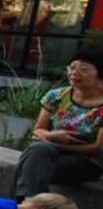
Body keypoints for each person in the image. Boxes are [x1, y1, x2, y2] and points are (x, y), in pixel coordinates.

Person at [14, 49, 103, 200]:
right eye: (72, 67)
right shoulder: (56, 96)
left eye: (84, 69)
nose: (74, 73)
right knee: (37, 152)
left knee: (32, 163)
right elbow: (38, 130)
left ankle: (24, 205)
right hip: (49, 151)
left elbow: (95, 148)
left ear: (100, 75)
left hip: (86, 161)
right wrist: (53, 136)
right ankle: (31, 205)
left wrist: (56, 142)